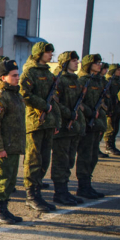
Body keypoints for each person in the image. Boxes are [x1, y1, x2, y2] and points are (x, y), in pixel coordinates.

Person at [19, 42, 60, 212]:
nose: (51, 54)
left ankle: (37, 191)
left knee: (44, 159)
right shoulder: (29, 72)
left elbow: (54, 99)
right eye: (48, 52)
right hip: (35, 122)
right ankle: (31, 195)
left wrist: (56, 121)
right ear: (39, 53)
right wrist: (43, 105)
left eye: (51, 52)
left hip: (48, 122)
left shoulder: (48, 73)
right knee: (33, 159)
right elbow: (23, 93)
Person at [0, 59, 25, 224]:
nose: (17, 78)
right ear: (3, 77)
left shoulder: (15, 95)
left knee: (10, 180)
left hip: (13, 146)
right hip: (4, 146)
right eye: (14, 75)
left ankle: (5, 208)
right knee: (0, 178)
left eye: (17, 75)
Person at [50, 51, 85, 206]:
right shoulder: (60, 80)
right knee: (61, 161)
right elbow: (56, 101)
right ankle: (59, 192)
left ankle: (64, 190)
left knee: (69, 160)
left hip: (73, 127)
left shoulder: (76, 80)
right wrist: (68, 114)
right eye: (73, 60)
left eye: (77, 60)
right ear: (65, 63)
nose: (77, 63)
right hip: (63, 126)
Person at [75, 54, 107, 199]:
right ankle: (82, 186)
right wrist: (89, 112)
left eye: (100, 62)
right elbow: (79, 103)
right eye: (96, 63)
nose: (99, 65)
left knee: (93, 156)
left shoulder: (99, 81)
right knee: (85, 156)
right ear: (89, 65)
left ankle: (87, 184)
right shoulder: (82, 81)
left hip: (96, 124)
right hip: (86, 123)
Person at [104, 64, 120, 156]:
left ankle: (112, 145)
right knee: (110, 129)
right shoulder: (109, 80)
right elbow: (107, 95)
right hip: (111, 109)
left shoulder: (118, 80)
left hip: (117, 109)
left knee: (115, 129)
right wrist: (109, 108)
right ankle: (108, 146)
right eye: (118, 70)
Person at [97, 62, 111, 158]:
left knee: (102, 129)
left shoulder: (104, 81)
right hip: (98, 108)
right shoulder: (97, 80)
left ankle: (96, 148)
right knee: (98, 130)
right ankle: (96, 149)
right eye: (104, 69)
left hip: (104, 109)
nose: (106, 71)